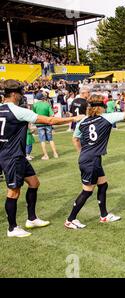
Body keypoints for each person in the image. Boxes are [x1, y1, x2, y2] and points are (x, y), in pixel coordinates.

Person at [0, 80, 83, 238]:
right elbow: (50, 120)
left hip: (14, 155)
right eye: (20, 93)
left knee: (34, 183)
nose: (22, 95)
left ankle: (31, 219)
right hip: (12, 157)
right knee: (13, 192)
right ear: (13, 94)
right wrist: (73, 119)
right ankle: (12, 228)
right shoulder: (18, 111)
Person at [65, 95, 125, 229]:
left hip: (90, 158)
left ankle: (104, 215)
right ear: (101, 107)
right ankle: (70, 219)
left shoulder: (82, 121)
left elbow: (75, 139)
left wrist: (82, 153)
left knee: (103, 185)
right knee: (87, 191)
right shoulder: (106, 117)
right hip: (91, 160)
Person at [32, 89, 59, 160]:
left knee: (42, 140)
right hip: (48, 123)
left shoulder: (35, 105)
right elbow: (52, 114)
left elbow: (33, 115)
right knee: (50, 139)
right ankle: (55, 153)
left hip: (39, 124)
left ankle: (46, 155)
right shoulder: (47, 104)